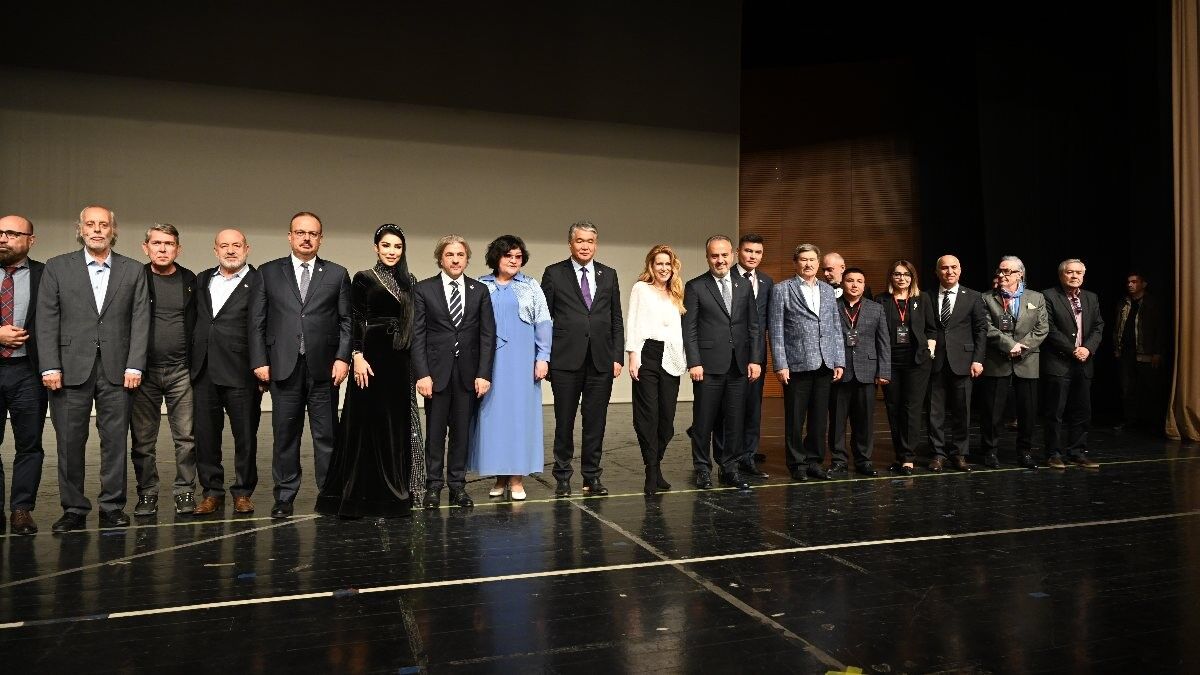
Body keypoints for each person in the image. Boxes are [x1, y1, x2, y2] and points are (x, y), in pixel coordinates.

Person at [38, 205, 150, 532]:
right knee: (69, 443)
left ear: (113, 230)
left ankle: (112, 507)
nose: (97, 229)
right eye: (91, 224)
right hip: (68, 369)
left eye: (103, 224)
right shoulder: (57, 267)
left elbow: (140, 319)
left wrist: (135, 364)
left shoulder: (133, 270)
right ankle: (73, 509)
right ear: (81, 229)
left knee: (115, 442)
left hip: (119, 369)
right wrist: (49, 366)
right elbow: (47, 319)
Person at [316, 224, 424, 517]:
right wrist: (357, 355)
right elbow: (355, 319)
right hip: (370, 360)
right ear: (376, 247)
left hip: (400, 361)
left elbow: (413, 325)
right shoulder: (363, 278)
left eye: (397, 247)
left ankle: (400, 490)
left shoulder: (410, 281)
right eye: (386, 245)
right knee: (367, 424)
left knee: (398, 425)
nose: (392, 251)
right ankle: (364, 495)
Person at [250, 211, 352, 519]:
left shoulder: (337, 273)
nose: (306, 238)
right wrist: (260, 361)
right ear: (290, 236)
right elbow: (257, 322)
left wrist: (342, 358)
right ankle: (284, 496)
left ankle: (329, 494)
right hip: (283, 366)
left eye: (312, 233)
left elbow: (346, 321)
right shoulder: (268, 272)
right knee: (285, 435)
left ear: (321, 238)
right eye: (300, 232)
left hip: (324, 368)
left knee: (327, 436)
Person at [413, 235, 496, 509]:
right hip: (436, 375)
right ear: (440, 258)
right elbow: (418, 335)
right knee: (435, 434)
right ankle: (433, 486)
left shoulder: (479, 291)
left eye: (460, 254)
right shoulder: (424, 289)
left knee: (462, 434)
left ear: (467, 259)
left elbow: (487, 335)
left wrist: (484, 374)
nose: (456, 259)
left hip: (468, 375)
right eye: (450, 254)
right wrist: (422, 374)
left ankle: (458, 486)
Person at [541, 221, 623, 497]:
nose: (585, 246)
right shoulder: (554, 273)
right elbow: (544, 319)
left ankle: (592, 477)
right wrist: (544, 357)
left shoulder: (608, 274)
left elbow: (616, 319)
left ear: (595, 244)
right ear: (570, 243)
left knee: (595, 422)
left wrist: (617, 356)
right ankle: (563, 477)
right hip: (565, 360)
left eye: (590, 241)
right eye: (580, 241)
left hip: (601, 360)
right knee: (564, 421)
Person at [468, 235, 551, 501]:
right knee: (494, 418)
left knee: (519, 418)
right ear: (497, 257)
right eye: (508, 256)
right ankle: (500, 477)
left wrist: (543, 357)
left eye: (518, 257)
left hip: (522, 360)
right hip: (490, 362)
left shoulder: (531, 286)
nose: (514, 261)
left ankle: (516, 478)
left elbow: (543, 322)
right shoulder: (481, 285)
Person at [191, 229, 265, 515]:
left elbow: (265, 325)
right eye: (224, 245)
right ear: (216, 250)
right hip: (204, 369)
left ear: (247, 249)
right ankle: (212, 492)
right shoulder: (202, 279)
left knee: (245, 436)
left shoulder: (258, 281)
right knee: (206, 436)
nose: (230, 250)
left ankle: (243, 492)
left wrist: (262, 365)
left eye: (236, 245)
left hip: (241, 370)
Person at [684, 235, 763, 491]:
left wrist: (755, 359)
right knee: (703, 421)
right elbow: (689, 329)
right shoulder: (696, 286)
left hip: (738, 365)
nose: (720, 260)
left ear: (732, 255)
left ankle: (729, 468)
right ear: (707, 257)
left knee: (734, 421)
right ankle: (702, 468)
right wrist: (694, 361)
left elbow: (753, 326)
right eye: (714, 255)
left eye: (724, 255)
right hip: (707, 366)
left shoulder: (744, 285)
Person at [130, 224, 198, 517]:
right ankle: (147, 493)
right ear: (145, 248)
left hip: (181, 371)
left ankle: (185, 491)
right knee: (143, 440)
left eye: (169, 243)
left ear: (178, 249)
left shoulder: (190, 280)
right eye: (156, 243)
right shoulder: (135, 277)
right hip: (143, 372)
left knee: (186, 438)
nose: (162, 248)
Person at [769, 243, 845, 481]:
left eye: (812, 259)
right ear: (795, 263)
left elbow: (835, 327)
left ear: (818, 263)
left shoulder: (828, 290)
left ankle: (814, 461)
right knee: (795, 418)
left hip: (825, 363)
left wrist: (839, 361)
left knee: (819, 418)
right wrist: (781, 364)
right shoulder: (782, 289)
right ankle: (797, 464)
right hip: (796, 364)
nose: (808, 264)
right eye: (803, 259)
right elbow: (776, 330)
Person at [626, 244, 686, 495]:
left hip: (671, 356)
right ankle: (651, 470)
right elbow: (632, 322)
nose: (664, 268)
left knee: (667, 421)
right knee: (647, 416)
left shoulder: (676, 292)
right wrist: (633, 355)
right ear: (651, 265)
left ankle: (656, 464)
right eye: (659, 263)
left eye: (667, 264)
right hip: (647, 354)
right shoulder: (641, 288)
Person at [978, 256, 1048, 469]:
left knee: (1028, 411)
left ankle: (1025, 452)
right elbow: (986, 327)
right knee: (992, 411)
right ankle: (990, 452)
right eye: (999, 271)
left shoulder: (1036, 297)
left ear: (1020, 274)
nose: (1001, 275)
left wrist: (1022, 347)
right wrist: (1009, 345)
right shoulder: (986, 298)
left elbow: (1042, 328)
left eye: (1007, 271)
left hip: (1027, 361)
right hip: (997, 360)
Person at [712, 233, 773, 477]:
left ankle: (748, 456)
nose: (753, 256)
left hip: (755, 355)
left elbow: (764, 323)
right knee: (724, 410)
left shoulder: (767, 282)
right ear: (738, 252)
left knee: (752, 408)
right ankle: (724, 460)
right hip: (728, 354)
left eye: (758, 252)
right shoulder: (725, 275)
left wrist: (758, 357)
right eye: (748, 251)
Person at [0, 215, 45, 536]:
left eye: (12, 233)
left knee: (29, 444)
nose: (3, 238)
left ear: (31, 240)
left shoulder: (46, 274)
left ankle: (21, 509)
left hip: (28, 372)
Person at [926, 254, 987, 472]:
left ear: (960, 270)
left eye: (954, 267)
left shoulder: (973, 297)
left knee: (962, 411)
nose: (949, 271)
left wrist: (978, 359)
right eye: (944, 268)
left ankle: (959, 453)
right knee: (935, 412)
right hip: (934, 362)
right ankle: (938, 454)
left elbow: (981, 330)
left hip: (963, 361)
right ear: (937, 272)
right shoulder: (926, 296)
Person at [1041, 259, 1104, 468]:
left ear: (1083, 275)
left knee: (1082, 411)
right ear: (1061, 275)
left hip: (1084, 363)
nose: (1074, 276)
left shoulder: (1091, 297)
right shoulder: (1049, 295)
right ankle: (1053, 453)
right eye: (1070, 272)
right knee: (1055, 412)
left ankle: (1078, 452)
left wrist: (1088, 348)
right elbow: (1049, 328)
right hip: (1059, 362)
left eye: (1079, 272)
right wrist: (1073, 350)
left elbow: (1098, 326)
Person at [876, 260, 936, 476]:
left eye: (906, 274)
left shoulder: (923, 298)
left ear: (912, 277)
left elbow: (931, 329)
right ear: (891, 277)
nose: (901, 278)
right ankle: (899, 454)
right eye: (897, 274)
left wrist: (929, 349)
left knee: (911, 408)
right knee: (893, 408)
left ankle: (908, 458)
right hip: (890, 361)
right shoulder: (881, 300)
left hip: (917, 362)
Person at [828, 268, 890, 476]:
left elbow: (883, 342)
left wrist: (884, 371)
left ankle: (864, 460)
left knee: (864, 420)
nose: (854, 285)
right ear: (842, 283)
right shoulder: (831, 306)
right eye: (850, 280)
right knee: (837, 420)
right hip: (839, 370)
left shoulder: (876, 308)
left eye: (859, 281)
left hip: (867, 371)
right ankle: (838, 460)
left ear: (864, 285)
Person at [1114, 272, 1166, 432]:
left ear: (1143, 284)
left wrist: (1157, 352)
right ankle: (1130, 421)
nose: (1130, 285)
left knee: (1148, 388)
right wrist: (1117, 348)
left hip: (1146, 352)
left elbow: (1160, 329)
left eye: (1134, 282)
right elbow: (1117, 327)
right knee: (1127, 389)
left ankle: (1151, 423)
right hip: (1126, 352)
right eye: (1128, 282)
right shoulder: (1124, 302)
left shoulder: (1152, 303)